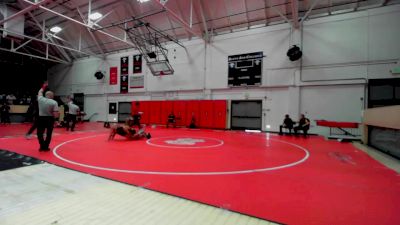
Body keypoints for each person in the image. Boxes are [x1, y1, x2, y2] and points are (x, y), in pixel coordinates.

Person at [37, 82, 59, 151]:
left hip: (41, 118)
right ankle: (46, 147)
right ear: (51, 96)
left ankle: (42, 146)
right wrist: (56, 121)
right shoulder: (54, 102)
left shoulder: (40, 99)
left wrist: (44, 86)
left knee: (40, 133)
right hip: (49, 119)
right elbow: (55, 113)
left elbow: (40, 91)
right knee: (49, 133)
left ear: (46, 95)